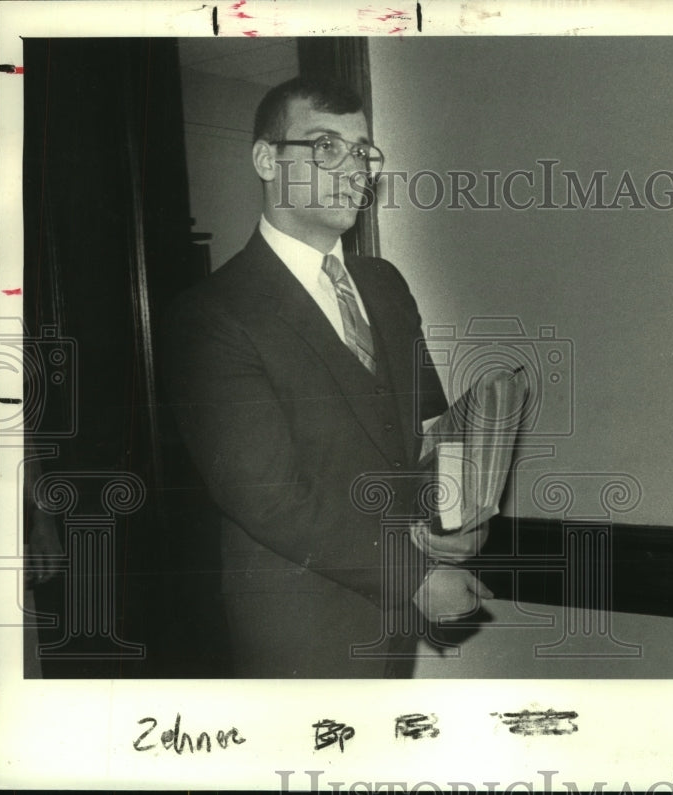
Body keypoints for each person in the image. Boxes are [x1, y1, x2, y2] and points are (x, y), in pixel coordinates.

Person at [162, 76, 490, 678]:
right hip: (299, 627)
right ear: (266, 159)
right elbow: (269, 497)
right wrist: (416, 577)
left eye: (363, 149)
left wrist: (458, 520)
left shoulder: (384, 285)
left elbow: (429, 431)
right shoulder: (211, 314)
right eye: (325, 146)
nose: (355, 167)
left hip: (393, 628)